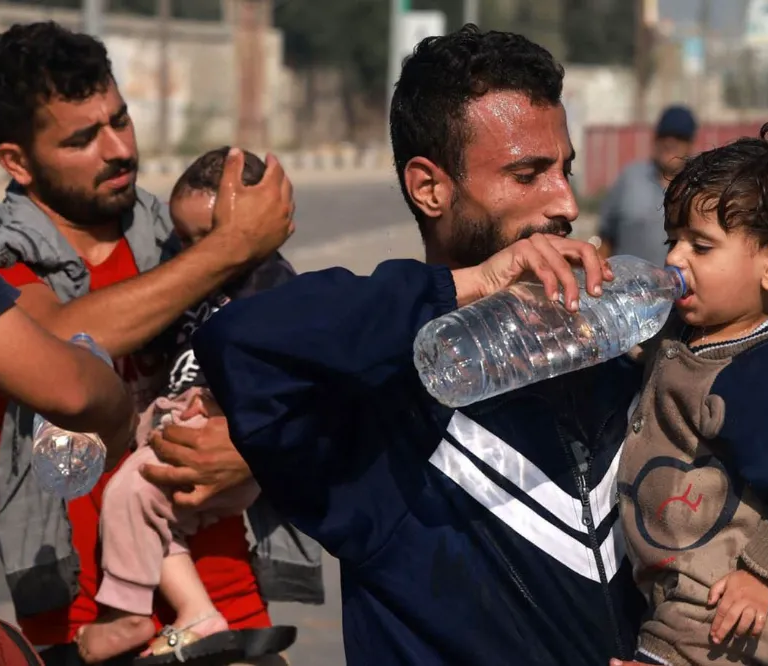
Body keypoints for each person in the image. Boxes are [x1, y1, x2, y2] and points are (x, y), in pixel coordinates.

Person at [172, 24, 651, 666]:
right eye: (527, 173)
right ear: (430, 188)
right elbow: (243, 344)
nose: (564, 200)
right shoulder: (376, 418)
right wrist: (475, 284)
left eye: (564, 169)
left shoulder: (608, 358)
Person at [0, 21, 295, 665]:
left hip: (228, 617)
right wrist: (229, 249)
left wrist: (256, 447)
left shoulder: (181, 232)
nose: (117, 148)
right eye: (83, 139)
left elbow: (295, 371)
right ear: (17, 162)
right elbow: (56, 345)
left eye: (120, 120)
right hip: (86, 632)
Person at [617, 122, 768, 666]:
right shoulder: (687, 330)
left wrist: (760, 577)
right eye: (674, 240)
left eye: (701, 245)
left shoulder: (765, 368)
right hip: (671, 563)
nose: (675, 259)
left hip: (723, 593)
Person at [75, 148, 298, 664]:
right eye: (188, 240)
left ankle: (133, 611)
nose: (203, 253)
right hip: (190, 422)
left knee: (130, 494)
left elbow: (290, 370)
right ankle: (197, 612)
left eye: (216, 237)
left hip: (220, 425)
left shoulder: (269, 283)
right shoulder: (192, 283)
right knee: (148, 514)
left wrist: (237, 421)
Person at [0, 235, 133, 666]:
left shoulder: (152, 230)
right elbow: (67, 388)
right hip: (67, 609)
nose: (116, 160)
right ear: (15, 163)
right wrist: (114, 407)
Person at [597, 105, 697, 264]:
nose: (670, 143)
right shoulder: (630, 179)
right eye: (664, 136)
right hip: (627, 285)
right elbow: (605, 237)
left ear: (690, 144)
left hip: (676, 285)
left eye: (678, 137)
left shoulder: (698, 187)